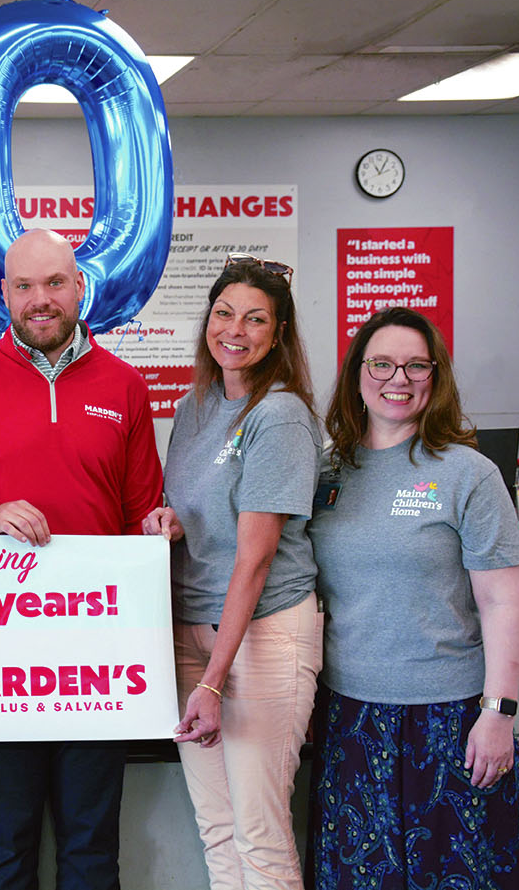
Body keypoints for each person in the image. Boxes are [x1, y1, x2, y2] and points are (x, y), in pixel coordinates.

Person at [0, 228, 163, 890]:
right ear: (1, 294)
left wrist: (159, 527)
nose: (40, 299)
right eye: (25, 286)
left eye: (54, 283)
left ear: (78, 288)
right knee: (4, 844)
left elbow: (138, 515)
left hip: (97, 658)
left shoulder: (123, 386)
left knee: (91, 846)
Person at [307, 307, 519, 889]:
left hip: (452, 718)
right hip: (350, 717)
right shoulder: (328, 470)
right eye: (382, 363)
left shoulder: (468, 474)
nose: (398, 378)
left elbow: (503, 604)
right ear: (358, 372)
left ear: (435, 378)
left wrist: (498, 713)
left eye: (416, 365)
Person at [142, 254, 321, 890]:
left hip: (261, 638)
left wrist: (214, 682)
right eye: (223, 313)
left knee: (259, 832)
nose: (234, 330)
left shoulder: (281, 416)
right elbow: (201, 511)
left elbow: (257, 555)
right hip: (193, 630)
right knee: (217, 828)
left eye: (254, 319)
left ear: (278, 334)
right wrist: (172, 522)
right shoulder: (195, 407)